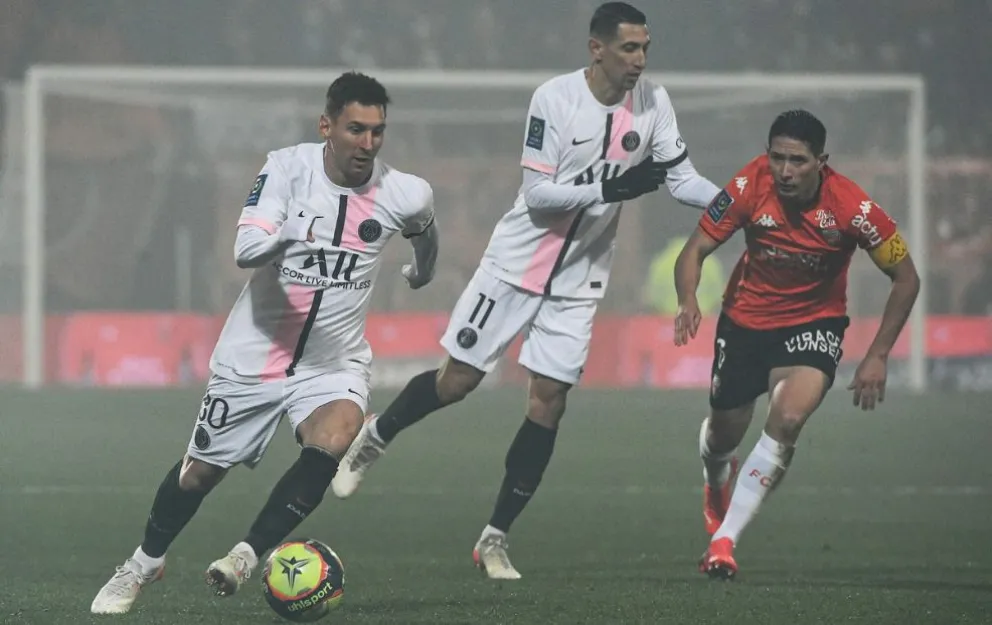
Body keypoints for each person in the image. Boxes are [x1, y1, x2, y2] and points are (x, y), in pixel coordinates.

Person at [331, 1, 720, 580]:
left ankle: (494, 538)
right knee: (459, 381)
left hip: (580, 276)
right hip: (516, 262)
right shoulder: (555, 100)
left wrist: (733, 206)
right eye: (629, 48)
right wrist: (614, 186)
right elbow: (540, 195)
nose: (640, 60)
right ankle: (376, 435)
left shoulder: (654, 103)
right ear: (597, 49)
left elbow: (680, 177)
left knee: (549, 402)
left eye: (645, 48)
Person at [90, 72, 439, 614]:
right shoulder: (286, 168)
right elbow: (245, 248)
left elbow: (425, 227)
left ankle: (247, 556)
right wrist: (289, 233)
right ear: (327, 126)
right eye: (355, 129)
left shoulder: (404, 192)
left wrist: (423, 268)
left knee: (338, 433)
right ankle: (142, 564)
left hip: (333, 360)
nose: (367, 144)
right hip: (255, 355)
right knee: (198, 474)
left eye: (377, 131)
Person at [673, 109, 920, 580]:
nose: (785, 171)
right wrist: (688, 298)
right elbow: (696, 249)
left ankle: (724, 542)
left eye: (798, 161)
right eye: (777, 158)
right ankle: (715, 479)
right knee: (724, 433)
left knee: (786, 419)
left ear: (821, 162)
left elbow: (906, 278)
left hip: (815, 323)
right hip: (744, 322)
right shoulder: (749, 185)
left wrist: (878, 354)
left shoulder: (853, 208)